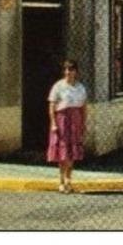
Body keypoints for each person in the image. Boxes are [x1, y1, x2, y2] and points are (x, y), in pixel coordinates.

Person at [47, 58, 87, 193]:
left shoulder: (80, 87)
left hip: (75, 118)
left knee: (71, 152)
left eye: (72, 70)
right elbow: (52, 105)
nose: (69, 72)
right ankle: (61, 180)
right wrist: (53, 123)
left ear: (76, 72)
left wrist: (83, 123)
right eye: (67, 70)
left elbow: (83, 107)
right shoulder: (58, 86)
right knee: (62, 152)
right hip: (62, 119)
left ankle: (69, 179)